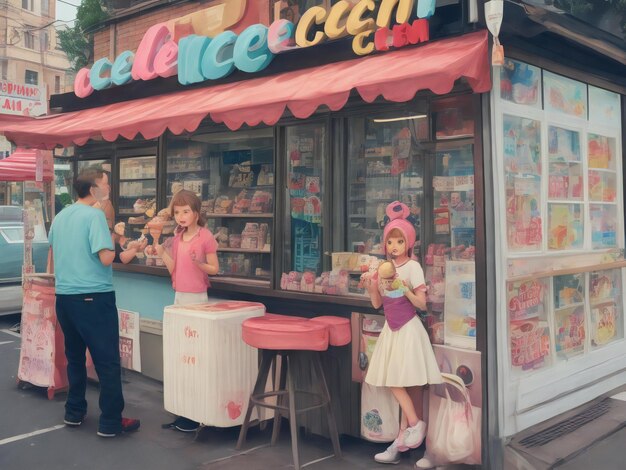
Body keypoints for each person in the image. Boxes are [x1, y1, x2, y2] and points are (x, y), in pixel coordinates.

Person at [47, 167, 140, 438]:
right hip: (93, 296)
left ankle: (74, 412)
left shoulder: (61, 216)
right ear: (93, 189)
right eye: (105, 184)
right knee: (107, 361)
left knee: (75, 358)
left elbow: (55, 255)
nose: (108, 188)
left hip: (64, 297)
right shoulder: (95, 215)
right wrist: (121, 245)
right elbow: (106, 259)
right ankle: (111, 421)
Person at [361, 201, 442, 466]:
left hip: (408, 330)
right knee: (392, 380)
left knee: (398, 381)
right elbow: (376, 304)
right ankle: (411, 429)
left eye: (399, 241)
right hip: (391, 330)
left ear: (409, 243)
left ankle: (413, 429)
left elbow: (421, 304)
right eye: (390, 242)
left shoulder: (412, 268)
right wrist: (371, 285)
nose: (394, 246)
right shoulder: (383, 267)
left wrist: (404, 287)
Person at [155, 189, 219, 432]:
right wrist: (161, 252)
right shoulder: (177, 237)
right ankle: (182, 412)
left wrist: (199, 263)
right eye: (177, 212)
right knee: (180, 355)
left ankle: (195, 414)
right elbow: (174, 270)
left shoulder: (205, 236)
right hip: (179, 297)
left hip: (197, 300)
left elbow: (214, 268)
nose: (181, 216)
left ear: (196, 213)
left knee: (194, 356)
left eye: (186, 211)